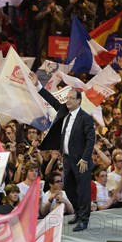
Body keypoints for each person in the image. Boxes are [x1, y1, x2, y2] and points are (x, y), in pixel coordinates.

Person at [33, 74, 95, 232]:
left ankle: (84, 219)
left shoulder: (85, 118)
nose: (67, 101)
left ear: (79, 101)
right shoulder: (64, 111)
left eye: (71, 98)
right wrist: (38, 85)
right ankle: (78, 212)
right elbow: (52, 100)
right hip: (67, 158)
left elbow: (90, 140)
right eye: (67, 98)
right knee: (69, 187)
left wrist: (85, 159)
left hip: (81, 161)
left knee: (83, 190)